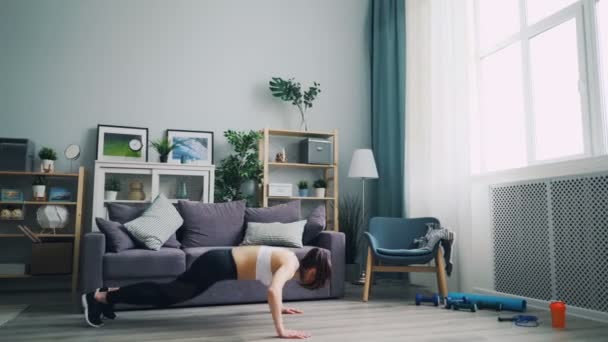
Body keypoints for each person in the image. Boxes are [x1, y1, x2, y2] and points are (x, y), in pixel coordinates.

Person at [82, 246, 331, 339]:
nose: (313, 281)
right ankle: (99, 297)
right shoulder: (291, 264)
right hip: (218, 265)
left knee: (169, 293)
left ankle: (108, 295)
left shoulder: (290, 260)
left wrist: (281, 308)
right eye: (316, 277)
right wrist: (282, 330)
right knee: (168, 295)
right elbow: (274, 292)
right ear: (312, 269)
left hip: (219, 262)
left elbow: (276, 289)